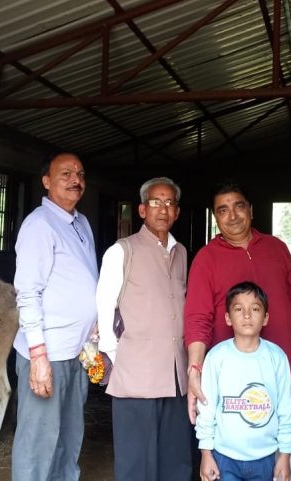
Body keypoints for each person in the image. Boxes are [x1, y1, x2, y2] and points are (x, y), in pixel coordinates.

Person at [184, 181, 291, 481]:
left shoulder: (277, 249)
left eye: (238, 206)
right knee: (234, 454)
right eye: (223, 210)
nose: (232, 215)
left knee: (286, 452)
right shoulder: (207, 258)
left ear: (250, 209)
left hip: (282, 372)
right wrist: (195, 369)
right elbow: (197, 318)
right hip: (231, 379)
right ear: (216, 217)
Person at [96, 177, 193, 481]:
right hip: (135, 376)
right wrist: (118, 358)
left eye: (169, 203)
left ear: (177, 212)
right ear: (141, 210)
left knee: (175, 458)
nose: (163, 209)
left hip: (175, 374)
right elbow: (104, 307)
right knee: (136, 461)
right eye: (155, 202)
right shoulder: (122, 251)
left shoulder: (181, 252)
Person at [11, 152, 99, 481]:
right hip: (47, 353)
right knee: (38, 442)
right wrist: (38, 356)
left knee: (68, 438)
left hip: (77, 352)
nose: (76, 179)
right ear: (47, 181)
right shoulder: (39, 225)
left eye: (80, 174)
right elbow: (28, 293)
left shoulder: (81, 223)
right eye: (66, 174)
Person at [196, 281, 291, 481]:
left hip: (265, 457)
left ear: (266, 318)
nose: (247, 315)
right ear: (228, 317)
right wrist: (206, 453)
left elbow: (286, 409)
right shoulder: (216, 357)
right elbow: (207, 409)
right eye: (239, 309)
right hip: (225, 457)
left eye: (255, 309)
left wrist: (285, 455)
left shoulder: (276, 358)